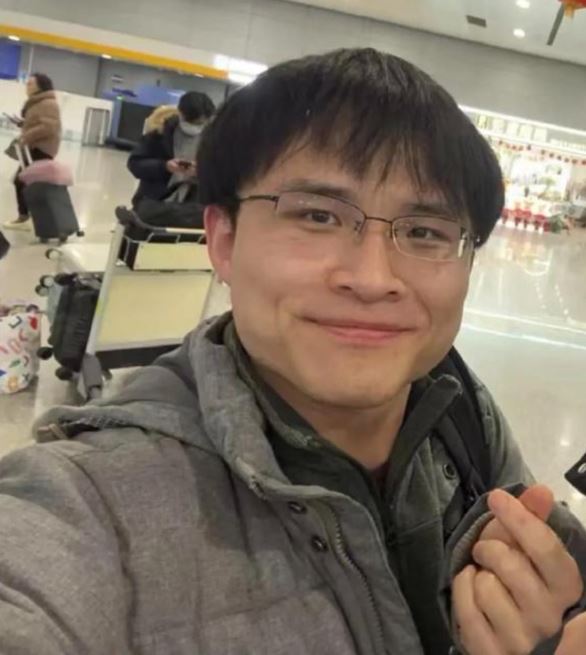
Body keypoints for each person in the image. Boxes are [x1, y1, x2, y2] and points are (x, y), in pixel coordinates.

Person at [0, 49, 584, 655]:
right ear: (223, 240)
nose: (372, 278)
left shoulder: (458, 410)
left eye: (423, 231)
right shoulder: (87, 509)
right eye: (318, 216)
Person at [127, 90, 215, 207]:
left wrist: (202, 172)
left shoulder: (212, 139)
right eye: (191, 122)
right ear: (181, 114)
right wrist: (164, 167)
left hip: (190, 206)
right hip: (154, 202)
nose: (196, 127)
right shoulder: (159, 133)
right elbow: (134, 164)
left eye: (200, 124)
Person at [4, 73, 61, 231]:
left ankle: (25, 218)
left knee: (22, 180)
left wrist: (26, 136)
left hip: (40, 149)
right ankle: (31, 217)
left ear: (40, 86)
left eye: (30, 84)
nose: (27, 86)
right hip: (34, 148)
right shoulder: (39, 102)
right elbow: (39, 123)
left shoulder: (47, 103)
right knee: (26, 182)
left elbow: (49, 127)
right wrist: (23, 124)